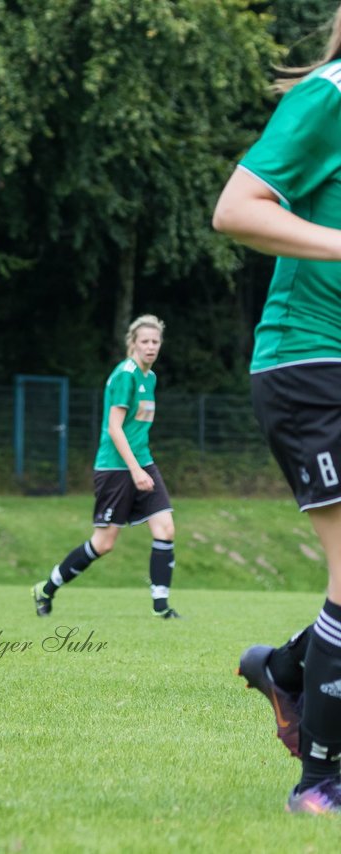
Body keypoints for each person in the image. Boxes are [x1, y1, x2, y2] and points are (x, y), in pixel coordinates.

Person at [212, 2, 341, 814]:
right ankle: (319, 782)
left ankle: (289, 666)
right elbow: (238, 209)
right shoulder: (329, 94)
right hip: (309, 362)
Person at [31, 315, 180, 619]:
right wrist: (135, 470)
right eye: (145, 342)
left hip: (142, 462)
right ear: (133, 344)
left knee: (165, 529)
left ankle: (161, 609)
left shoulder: (150, 378)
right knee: (104, 543)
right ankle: (46, 588)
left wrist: (142, 467)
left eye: (155, 342)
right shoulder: (126, 375)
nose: (151, 347)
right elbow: (114, 428)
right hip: (116, 468)